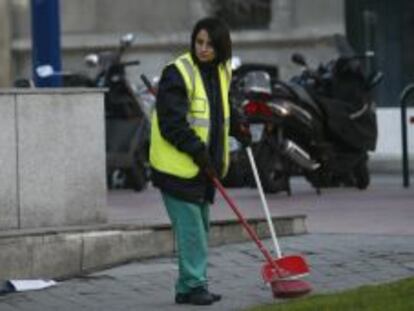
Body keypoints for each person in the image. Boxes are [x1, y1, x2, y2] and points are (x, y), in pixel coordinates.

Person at [149, 16, 252, 306]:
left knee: (199, 227)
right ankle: (195, 285)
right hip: (177, 168)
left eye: (210, 44)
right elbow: (172, 123)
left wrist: (239, 126)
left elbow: (219, 111)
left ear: (222, 47)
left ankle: (186, 287)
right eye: (199, 42)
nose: (203, 48)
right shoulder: (177, 72)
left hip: (202, 168)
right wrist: (198, 151)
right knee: (192, 229)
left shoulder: (220, 72)